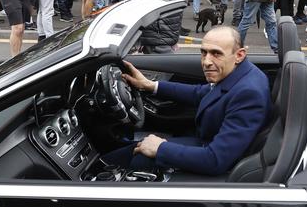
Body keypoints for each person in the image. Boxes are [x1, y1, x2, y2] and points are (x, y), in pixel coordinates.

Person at [105, 26, 271, 176]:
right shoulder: (238, 73)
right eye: (203, 52)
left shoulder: (248, 94)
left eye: (216, 53)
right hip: (206, 142)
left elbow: (216, 160)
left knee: (140, 155)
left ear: (239, 55)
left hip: (215, 159)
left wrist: (160, 148)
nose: (206, 61)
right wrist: (150, 85)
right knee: (138, 146)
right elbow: (200, 93)